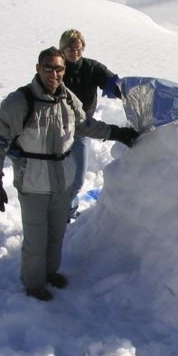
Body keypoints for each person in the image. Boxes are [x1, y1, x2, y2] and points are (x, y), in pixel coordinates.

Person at [0, 47, 138, 302]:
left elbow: (85, 125)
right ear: (38, 68)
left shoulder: (67, 99)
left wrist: (117, 133)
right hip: (33, 181)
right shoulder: (20, 101)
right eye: (48, 67)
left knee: (57, 233)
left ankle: (49, 273)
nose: (54, 73)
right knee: (36, 238)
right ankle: (33, 284)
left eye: (59, 68)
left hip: (62, 179)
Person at [59, 29, 122, 220]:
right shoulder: (56, 68)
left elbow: (112, 83)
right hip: (56, 132)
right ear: (63, 49)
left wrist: (125, 95)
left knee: (77, 180)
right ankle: (61, 214)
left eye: (78, 48)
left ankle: (66, 213)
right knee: (58, 179)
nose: (75, 52)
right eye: (70, 48)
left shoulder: (91, 67)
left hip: (83, 130)